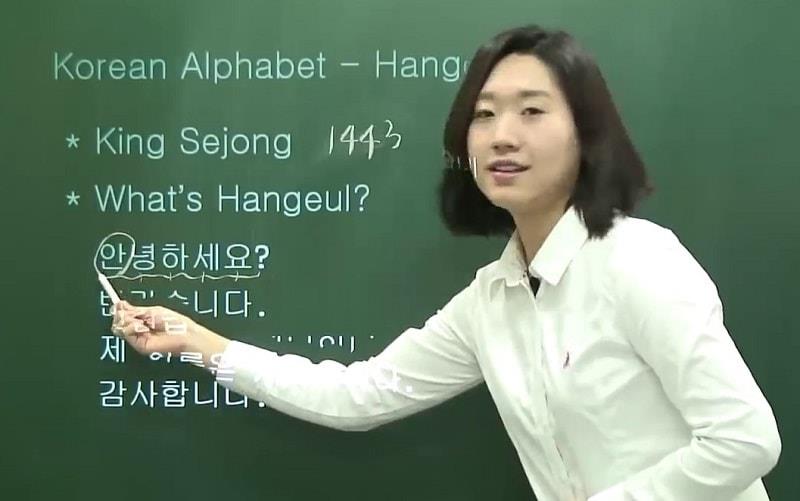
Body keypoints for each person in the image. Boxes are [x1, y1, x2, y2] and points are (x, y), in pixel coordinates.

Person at [110, 25, 781, 500]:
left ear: (586, 135)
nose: (502, 135)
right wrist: (197, 342)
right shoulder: (494, 300)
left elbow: (747, 438)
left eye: (532, 111)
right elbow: (357, 396)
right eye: (484, 116)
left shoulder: (637, 261)